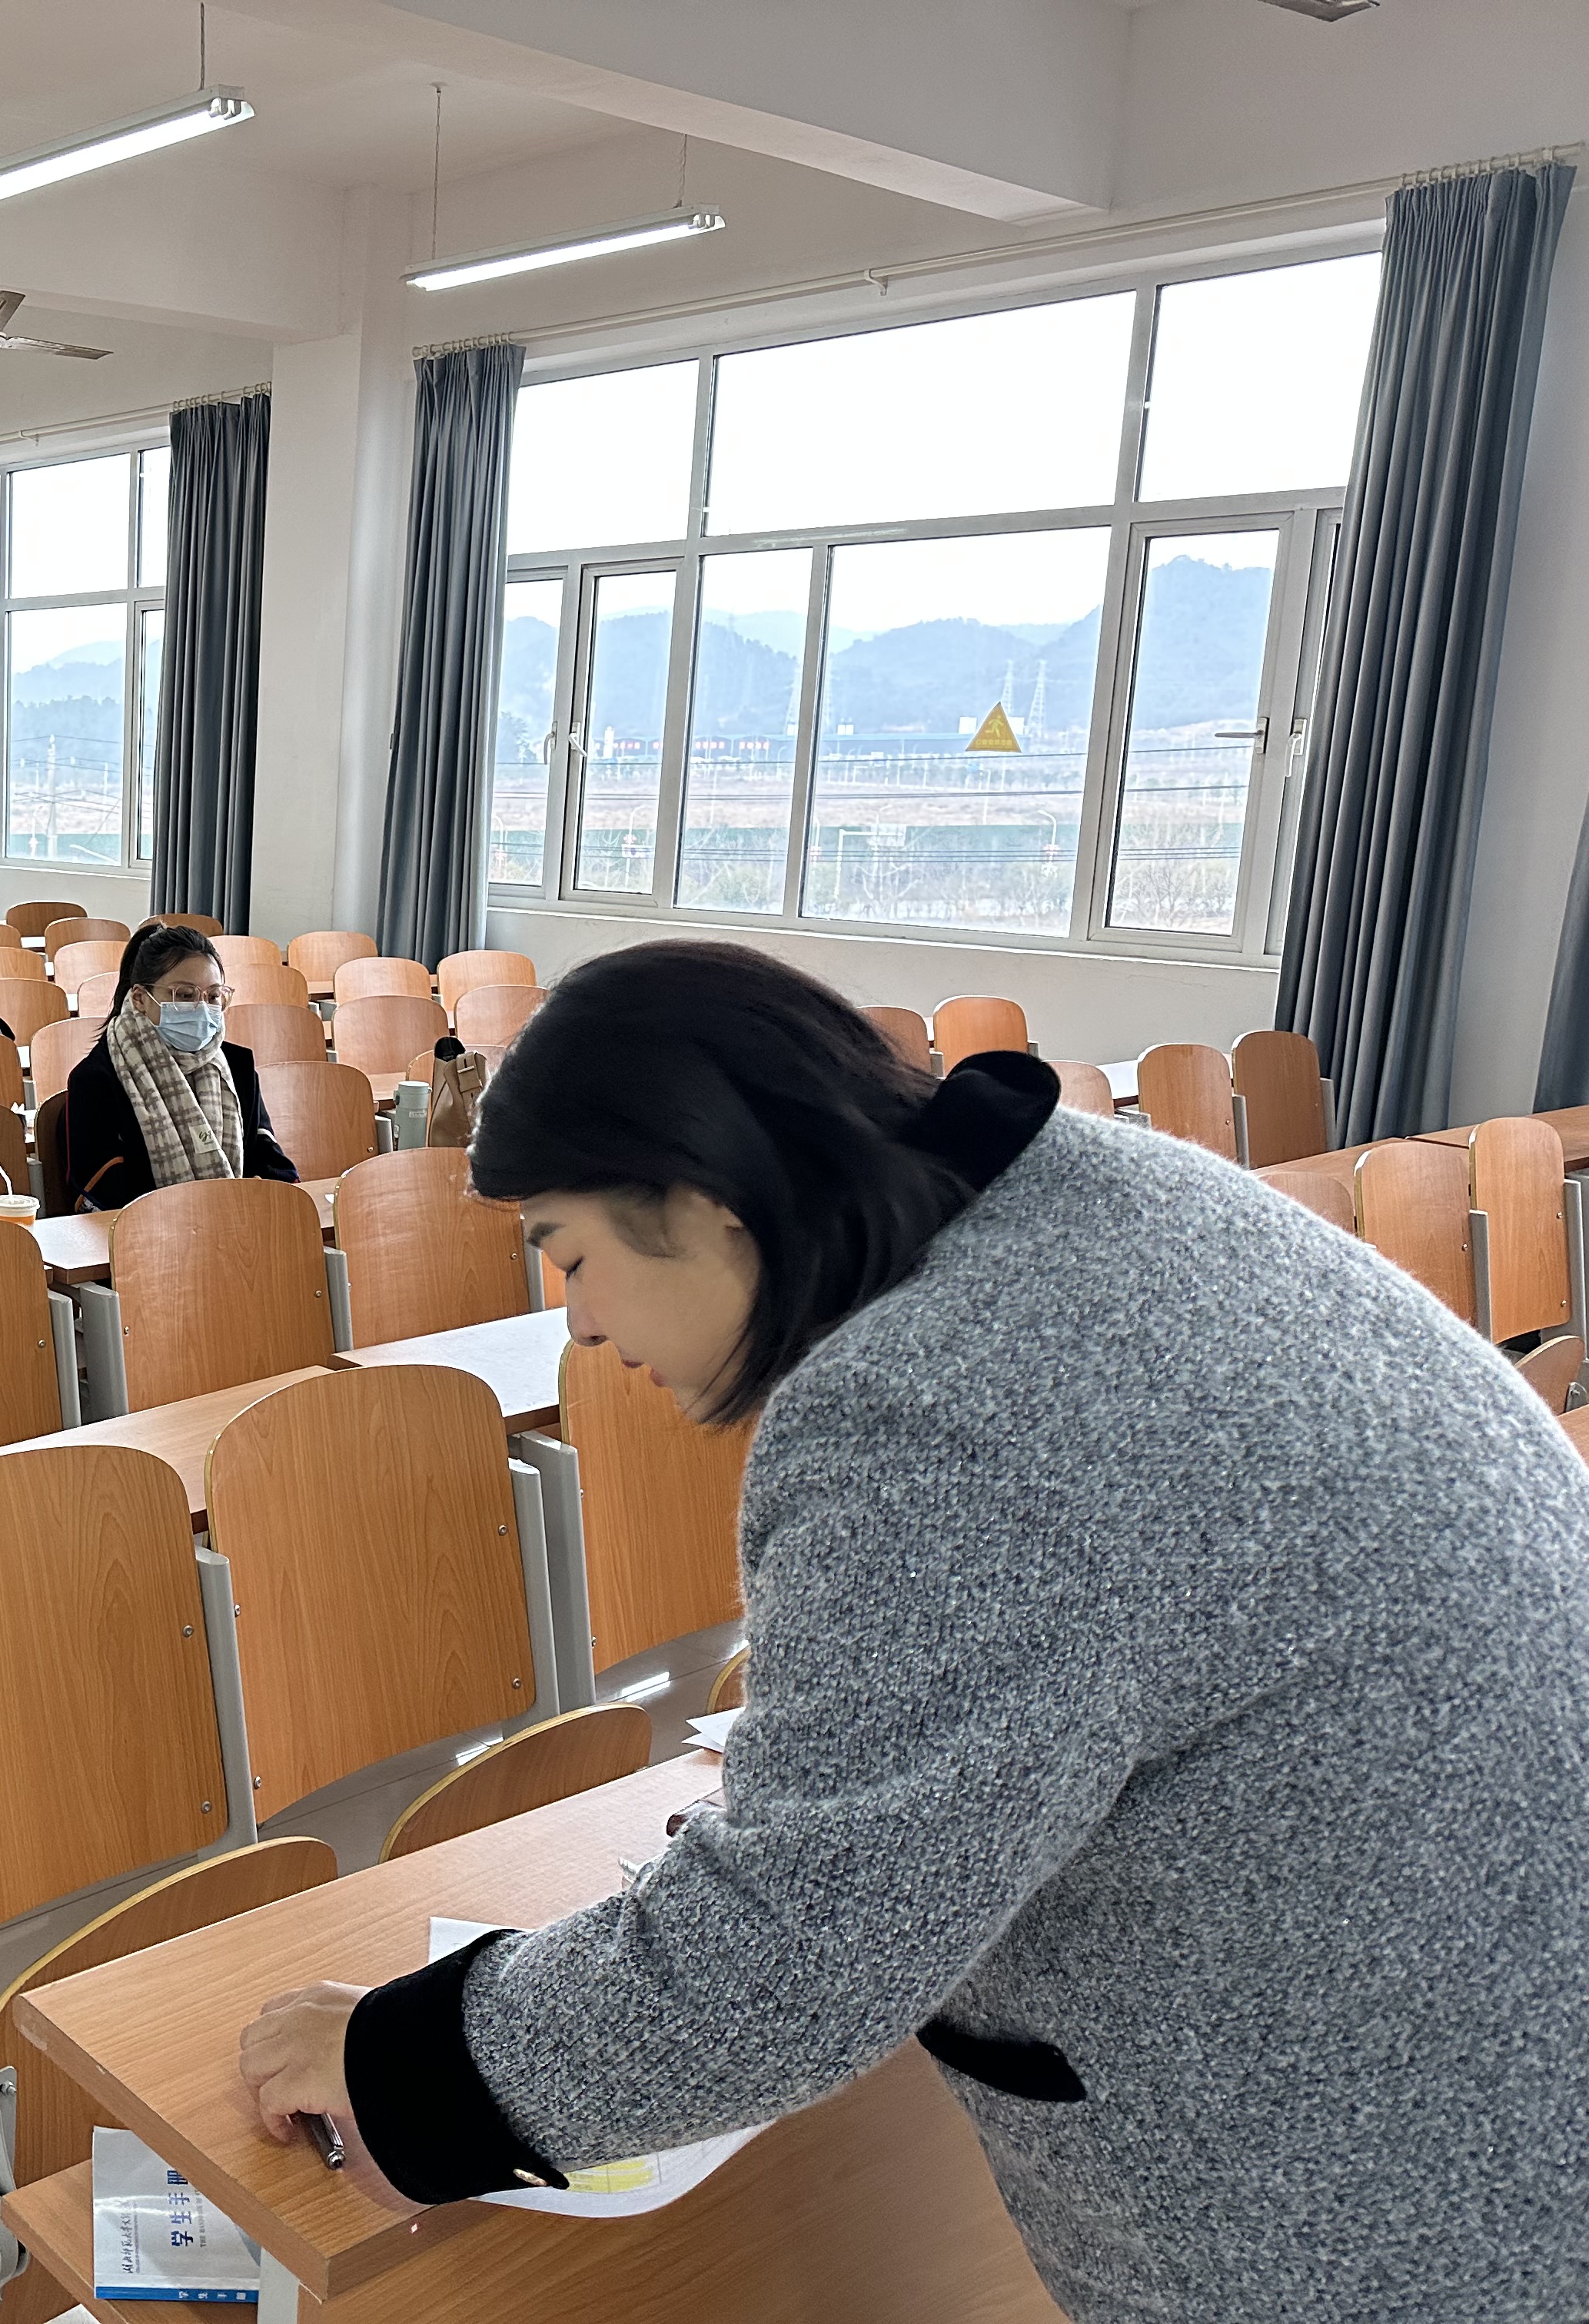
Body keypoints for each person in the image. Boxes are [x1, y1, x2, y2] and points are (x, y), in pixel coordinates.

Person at [234, 940, 1589, 2324]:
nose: (577, 1323)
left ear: (704, 1201)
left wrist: (398, 2066)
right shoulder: (1093, 1200)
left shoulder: (936, 1407)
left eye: (572, 1256)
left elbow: (788, 1951)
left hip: (1399, 2180)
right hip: (1487, 2021)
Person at [59, 921, 297, 1210]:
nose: (202, 1008)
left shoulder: (238, 1067)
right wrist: (197, 1212)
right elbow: (103, 1187)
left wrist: (261, 1197)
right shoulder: (97, 1078)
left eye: (213, 996)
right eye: (185, 995)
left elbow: (270, 1158)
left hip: (240, 1222)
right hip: (150, 1228)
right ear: (140, 998)